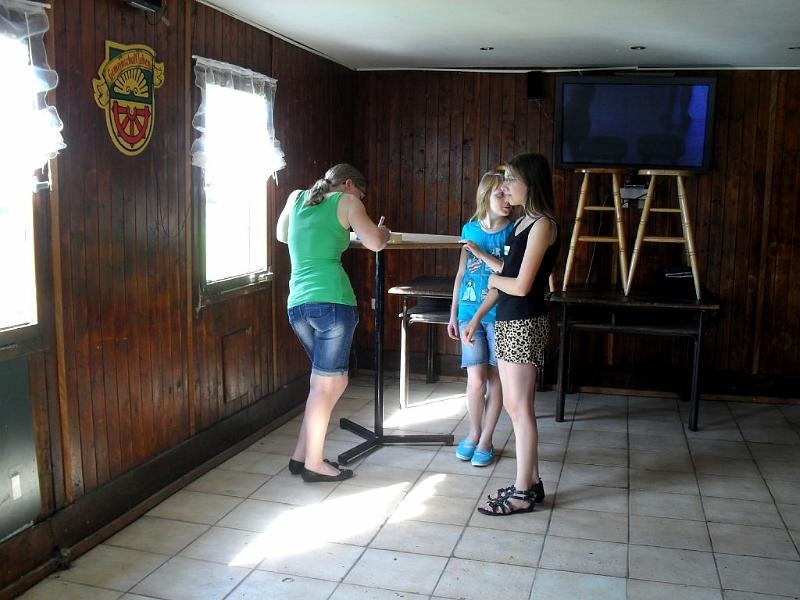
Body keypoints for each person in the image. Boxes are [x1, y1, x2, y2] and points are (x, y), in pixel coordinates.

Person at [276, 163, 390, 482]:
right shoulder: (348, 202)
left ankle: (301, 455)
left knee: (324, 384)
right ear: (349, 184)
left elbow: (282, 235)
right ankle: (314, 464)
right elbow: (375, 243)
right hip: (333, 302)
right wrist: (383, 231)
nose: (361, 200)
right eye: (361, 194)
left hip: (298, 305)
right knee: (328, 384)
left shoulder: (296, 197)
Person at [461, 153, 560, 515]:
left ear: (530, 184)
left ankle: (521, 491)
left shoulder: (543, 225)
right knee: (516, 408)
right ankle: (530, 483)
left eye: (511, 180)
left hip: (523, 322)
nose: (505, 187)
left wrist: (491, 278)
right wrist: (488, 284)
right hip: (509, 319)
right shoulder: (523, 223)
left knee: (520, 409)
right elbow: (508, 274)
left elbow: (519, 285)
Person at [448, 172, 514, 467]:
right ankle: (473, 433)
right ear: (485, 196)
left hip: (499, 315)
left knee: (495, 379)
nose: (507, 200)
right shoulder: (469, 229)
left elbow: (507, 271)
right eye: (501, 194)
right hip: (467, 313)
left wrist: (479, 252)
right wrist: (453, 313)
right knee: (476, 380)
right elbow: (461, 274)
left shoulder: (512, 231)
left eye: (509, 194)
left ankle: (487, 439)